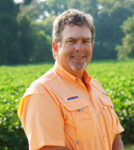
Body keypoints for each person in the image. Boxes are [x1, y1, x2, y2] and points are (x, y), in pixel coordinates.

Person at [17, 9, 124, 150]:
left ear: (92, 46)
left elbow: (114, 137)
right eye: (71, 41)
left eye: (85, 41)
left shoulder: (97, 87)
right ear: (56, 47)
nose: (79, 48)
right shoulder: (42, 93)